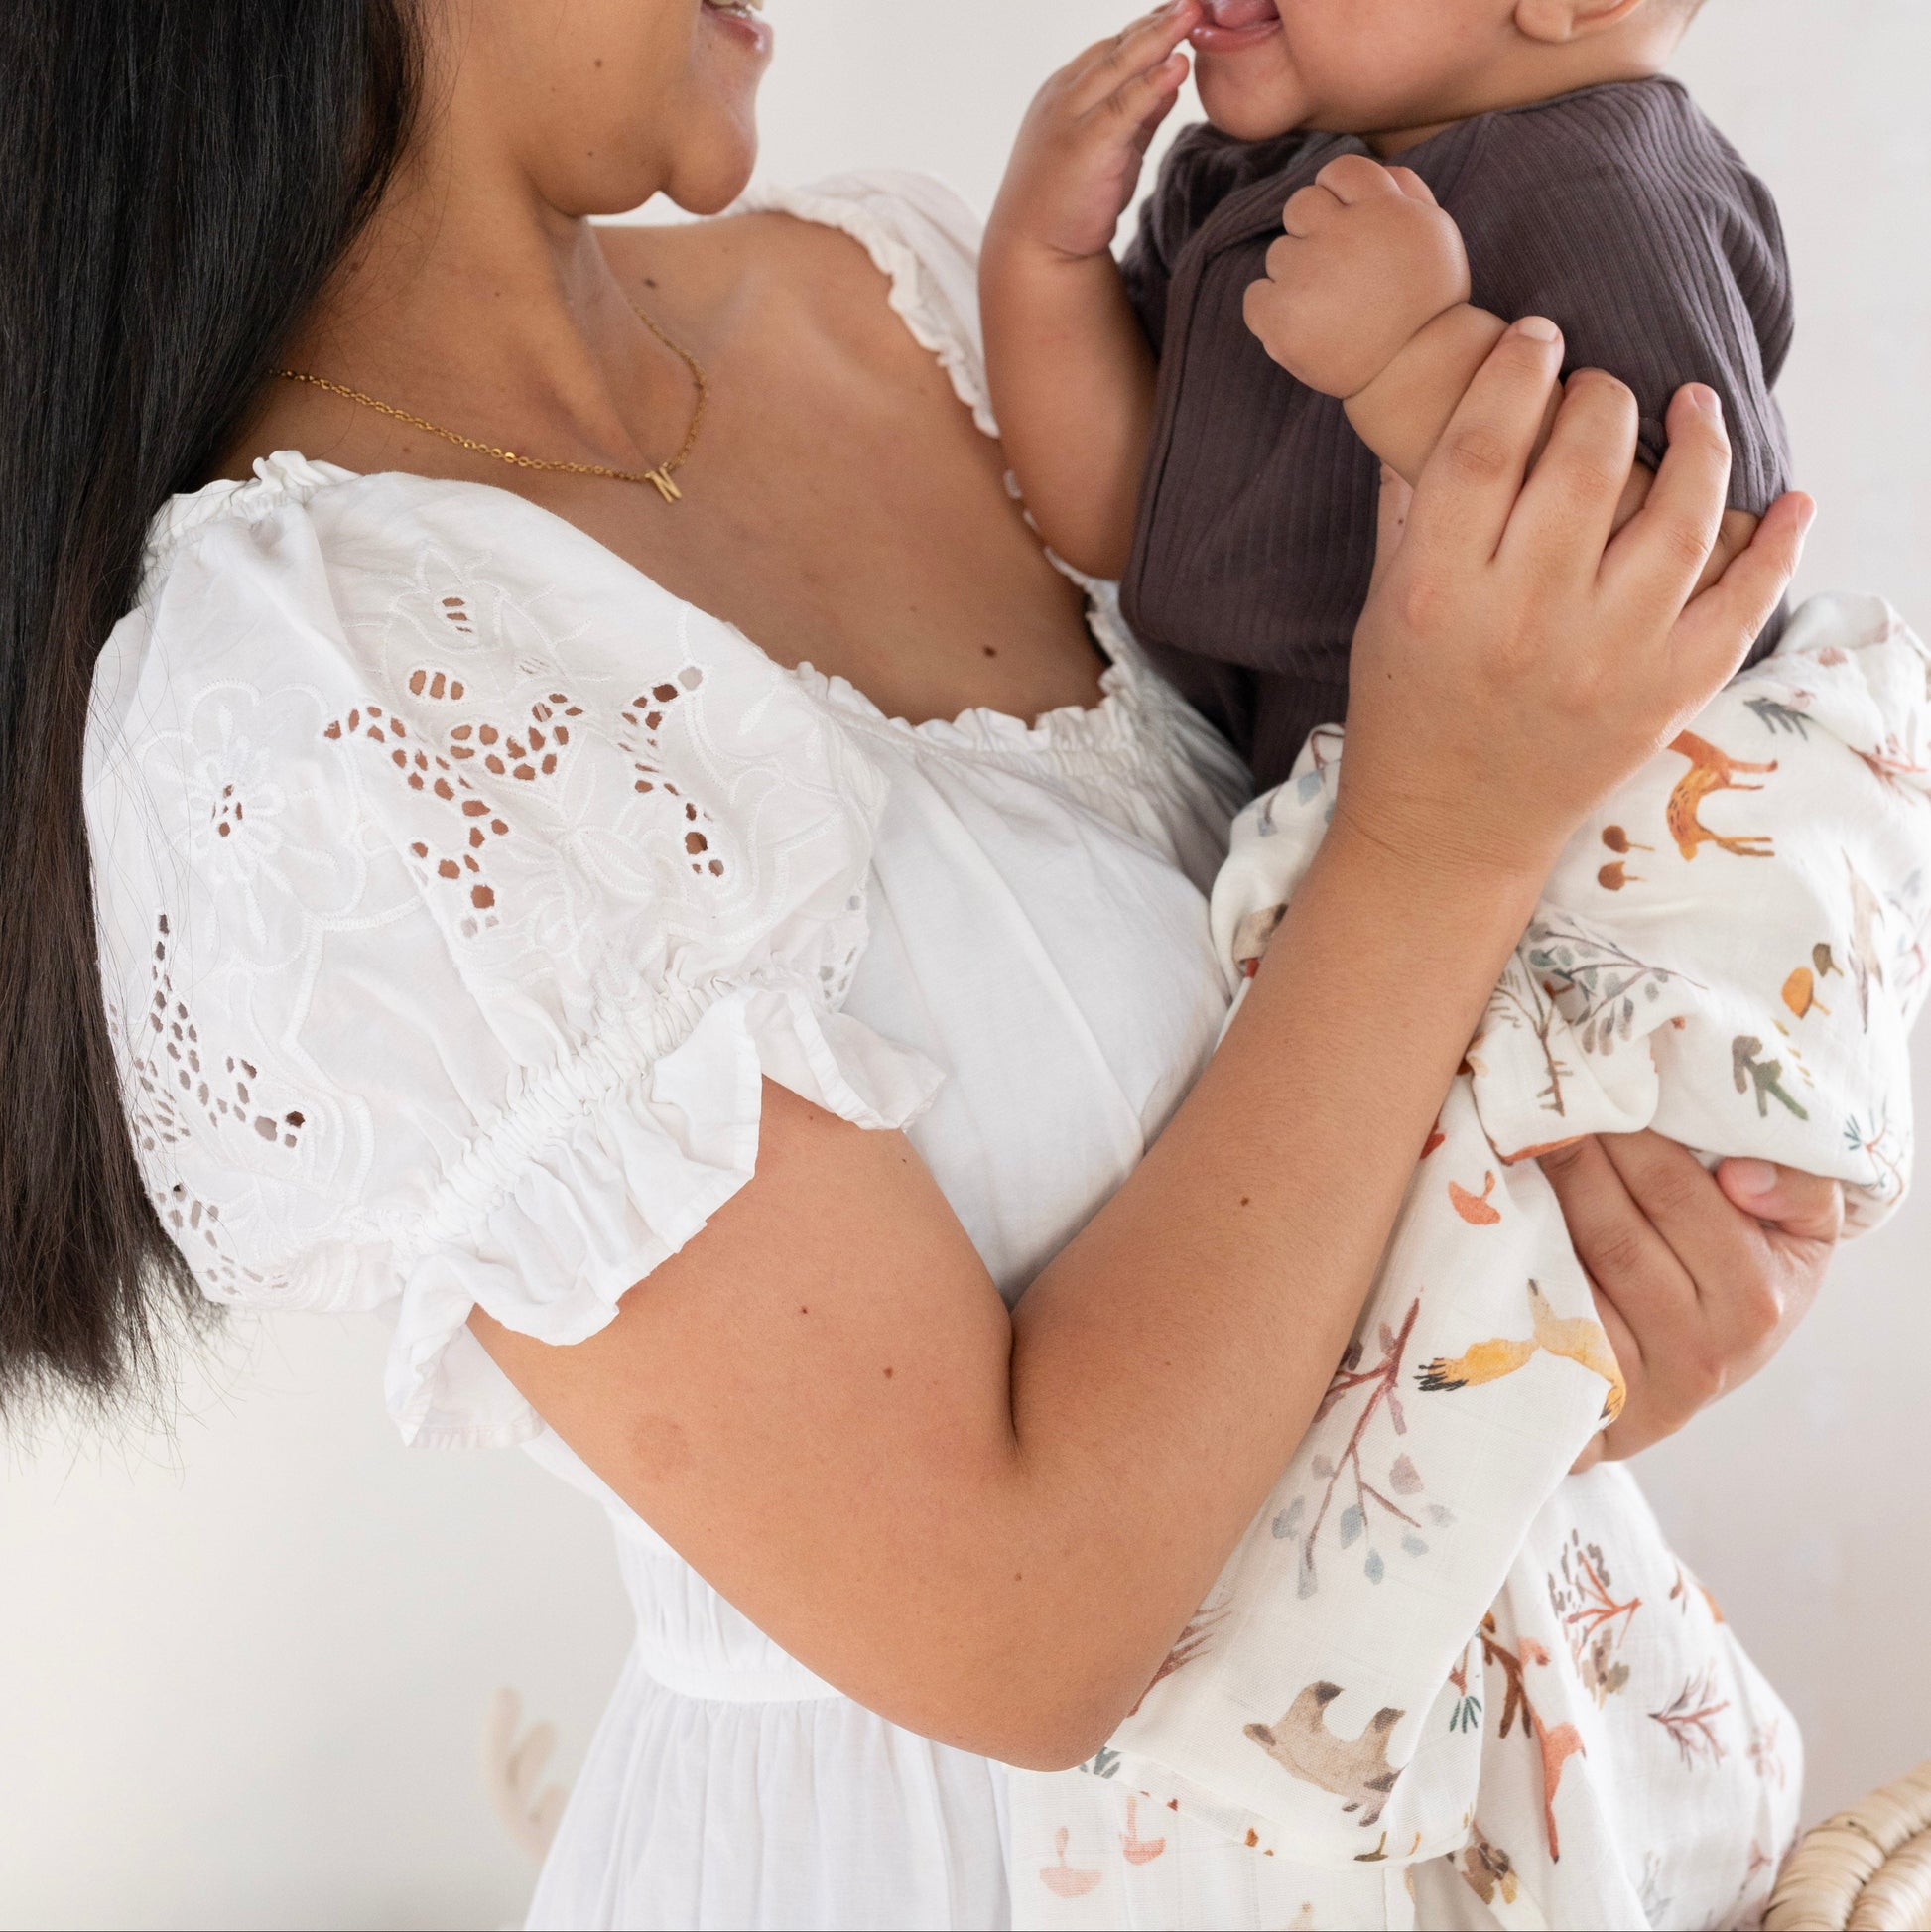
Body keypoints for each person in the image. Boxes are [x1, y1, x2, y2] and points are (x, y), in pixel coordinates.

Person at [1, 1, 1837, 1926]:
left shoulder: (900, 300)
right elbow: (1013, 1624)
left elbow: (1347, 1144)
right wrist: (1439, 833)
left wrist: (1589, 1318)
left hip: (1532, 1804)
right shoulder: (321, 686)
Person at [981, 0, 1790, 788]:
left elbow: (1702, 602)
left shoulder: (1610, 199)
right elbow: (1116, 522)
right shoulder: (1246, 172)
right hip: (1296, 815)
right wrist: (1045, 250)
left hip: (1579, 857)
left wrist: (1415, 360)